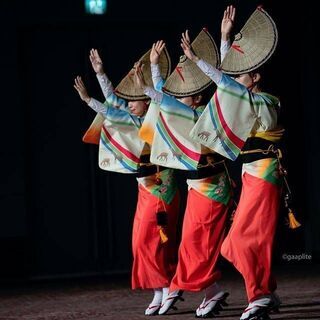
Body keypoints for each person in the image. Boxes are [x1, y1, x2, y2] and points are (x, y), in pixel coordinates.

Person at [184, 6, 285, 320]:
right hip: (253, 175)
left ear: (255, 77)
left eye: (242, 73)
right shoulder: (246, 97)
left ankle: (261, 295)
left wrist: (206, 56)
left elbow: (229, 87)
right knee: (243, 240)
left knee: (245, 239)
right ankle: (266, 293)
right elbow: (230, 85)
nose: (234, 80)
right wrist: (225, 38)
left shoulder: (267, 101)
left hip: (265, 174)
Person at [74, 47, 180, 316]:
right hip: (144, 189)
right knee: (140, 242)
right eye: (129, 99)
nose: (130, 102)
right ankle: (159, 290)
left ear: (147, 99)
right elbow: (111, 105)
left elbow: (157, 96)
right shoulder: (133, 119)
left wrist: (153, 70)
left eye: (135, 98)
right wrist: (99, 77)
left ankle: (168, 287)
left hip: (161, 187)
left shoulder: (159, 116)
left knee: (154, 240)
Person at [135, 34, 231, 318]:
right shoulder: (185, 112)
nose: (178, 98)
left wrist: (218, 43)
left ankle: (178, 287)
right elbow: (169, 103)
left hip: (213, 186)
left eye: (184, 93)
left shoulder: (202, 113)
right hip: (196, 186)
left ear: (198, 97)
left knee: (197, 243)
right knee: (192, 243)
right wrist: (153, 72)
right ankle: (210, 292)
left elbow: (222, 85)